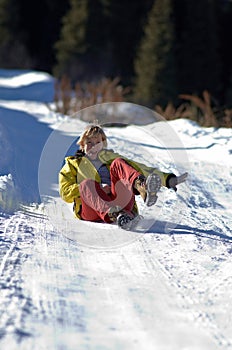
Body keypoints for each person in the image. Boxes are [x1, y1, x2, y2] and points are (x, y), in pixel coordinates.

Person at [59, 124, 188, 229]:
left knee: (119, 163)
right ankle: (117, 214)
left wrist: (167, 179)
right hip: (91, 210)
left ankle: (141, 187)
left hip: (119, 202)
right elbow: (65, 192)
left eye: (97, 142)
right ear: (82, 145)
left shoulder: (110, 158)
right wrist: (95, 188)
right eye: (89, 142)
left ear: (103, 144)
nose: (93, 146)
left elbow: (140, 168)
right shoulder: (73, 164)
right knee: (87, 183)